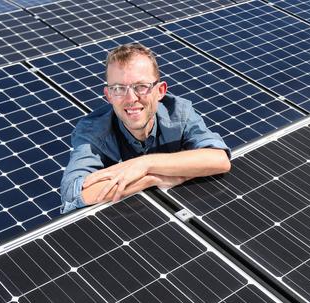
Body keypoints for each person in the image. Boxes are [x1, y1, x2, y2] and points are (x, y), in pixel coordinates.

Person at [60, 43, 231, 214]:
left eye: (141, 86)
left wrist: (144, 164)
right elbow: (74, 194)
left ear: (160, 91)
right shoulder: (93, 132)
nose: (131, 98)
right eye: (119, 89)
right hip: (124, 219)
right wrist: (152, 179)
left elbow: (219, 159)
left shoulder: (179, 113)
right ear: (109, 95)